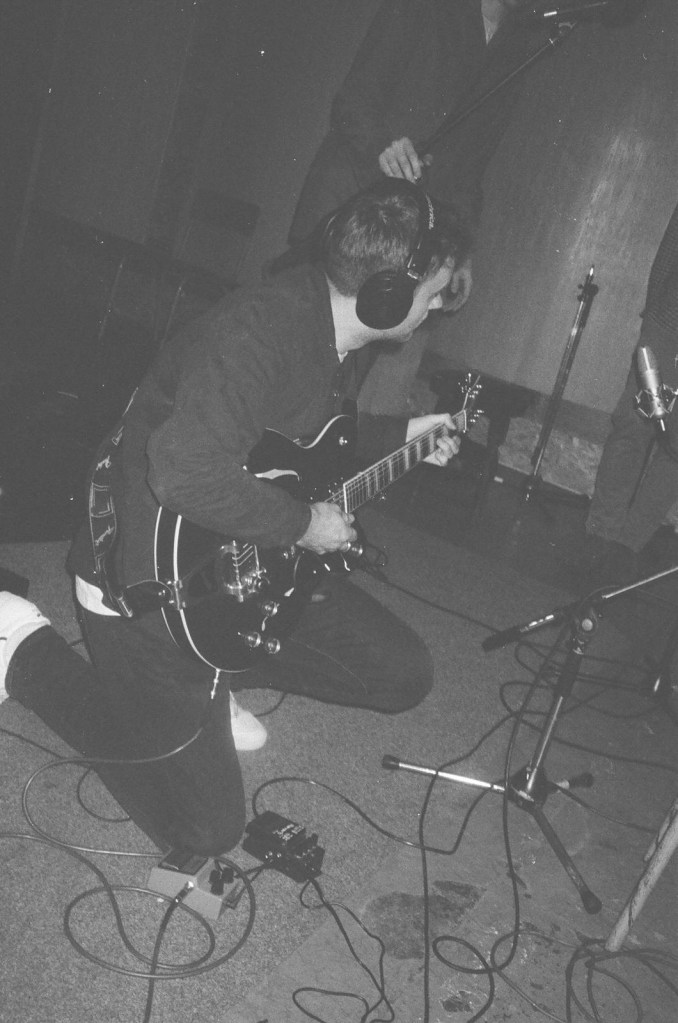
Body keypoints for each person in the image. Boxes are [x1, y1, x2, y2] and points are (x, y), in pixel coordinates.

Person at [0, 180, 466, 859]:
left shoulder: (333, 324)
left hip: (236, 565)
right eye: (433, 295)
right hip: (147, 590)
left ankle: (219, 676)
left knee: (402, 674)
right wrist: (303, 526)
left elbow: (304, 441)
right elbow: (182, 472)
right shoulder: (261, 331)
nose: (435, 310)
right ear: (387, 295)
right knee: (206, 831)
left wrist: (404, 435)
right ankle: (25, 651)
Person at [282, 0, 550, 414]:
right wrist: (383, 144)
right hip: (348, 206)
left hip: (407, 237)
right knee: (294, 346)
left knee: (345, 381)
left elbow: (472, 164)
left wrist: (460, 250)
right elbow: (352, 100)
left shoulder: (520, 44)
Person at [584, 199, 678, 583]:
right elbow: (670, 251)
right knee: (634, 425)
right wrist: (655, 316)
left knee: (676, 450)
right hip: (668, 325)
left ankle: (628, 545)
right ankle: (600, 534)